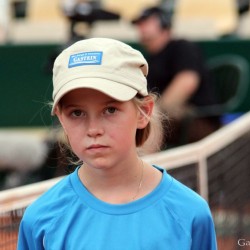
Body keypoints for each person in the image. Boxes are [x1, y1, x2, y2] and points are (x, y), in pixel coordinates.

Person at [17, 38, 217, 249]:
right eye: (76, 113)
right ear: (61, 119)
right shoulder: (40, 219)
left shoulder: (191, 213)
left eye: (110, 110)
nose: (94, 129)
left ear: (144, 112)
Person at [132, 6, 221, 148]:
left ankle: (146, 168)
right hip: (170, 122)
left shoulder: (182, 47)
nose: (141, 29)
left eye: (146, 23)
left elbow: (187, 82)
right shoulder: (150, 58)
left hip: (198, 121)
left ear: (164, 23)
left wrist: (153, 113)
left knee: (147, 117)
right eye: (139, 25)